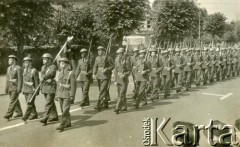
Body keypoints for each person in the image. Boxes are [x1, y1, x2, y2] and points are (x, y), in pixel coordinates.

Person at [55, 57, 76, 132]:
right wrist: (56, 94)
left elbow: (73, 86)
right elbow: (58, 85)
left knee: (65, 110)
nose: (62, 65)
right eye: (60, 63)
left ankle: (62, 125)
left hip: (67, 94)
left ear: (67, 64)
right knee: (63, 110)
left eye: (63, 63)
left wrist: (72, 96)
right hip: (60, 94)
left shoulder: (71, 73)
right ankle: (68, 122)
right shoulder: (60, 73)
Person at [93, 46, 115, 111]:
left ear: (103, 51)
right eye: (98, 50)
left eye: (100, 50)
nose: (99, 52)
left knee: (102, 91)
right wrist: (94, 74)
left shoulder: (108, 57)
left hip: (105, 76)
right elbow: (95, 66)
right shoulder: (97, 58)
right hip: (99, 76)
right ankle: (105, 104)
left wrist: (107, 69)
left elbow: (113, 65)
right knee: (102, 90)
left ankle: (99, 105)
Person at [39, 53, 59, 126]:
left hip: (51, 87)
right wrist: (41, 86)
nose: (44, 60)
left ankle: (44, 119)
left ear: (49, 60)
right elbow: (41, 76)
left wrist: (44, 78)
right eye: (43, 59)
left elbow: (52, 74)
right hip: (45, 87)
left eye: (45, 59)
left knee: (48, 103)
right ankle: (54, 116)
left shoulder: (53, 66)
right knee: (50, 103)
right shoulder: (43, 67)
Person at [4, 55, 23, 120]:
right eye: (8, 60)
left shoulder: (18, 68)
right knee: (15, 100)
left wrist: (19, 88)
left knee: (12, 100)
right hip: (10, 87)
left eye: (10, 60)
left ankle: (8, 114)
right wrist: (6, 88)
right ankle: (19, 113)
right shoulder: (8, 68)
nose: (8, 61)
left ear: (14, 61)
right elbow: (7, 79)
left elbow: (20, 79)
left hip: (15, 87)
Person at [113, 48, 131, 114]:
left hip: (124, 80)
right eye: (118, 54)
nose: (118, 55)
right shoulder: (116, 60)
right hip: (118, 79)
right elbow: (115, 70)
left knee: (121, 94)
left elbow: (129, 71)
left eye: (120, 54)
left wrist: (124, 75)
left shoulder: (127, 61)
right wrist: (115, 80)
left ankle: (117, 108)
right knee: (120, 95)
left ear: (123, 54)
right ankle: (124, 106)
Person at [22, 57, 39, 122]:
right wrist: (22, 89)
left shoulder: (34, 70)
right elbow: (24, 80)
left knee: (29, 103)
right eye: (24, 63)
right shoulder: (24, 70)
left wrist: (37, 91)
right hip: (25, 89)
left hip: (32, 90)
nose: (25, 64)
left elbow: (36, 81)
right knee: (30, 102)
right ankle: (34, 114)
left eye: (27, 63)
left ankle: (25, 116)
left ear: (30, 63)